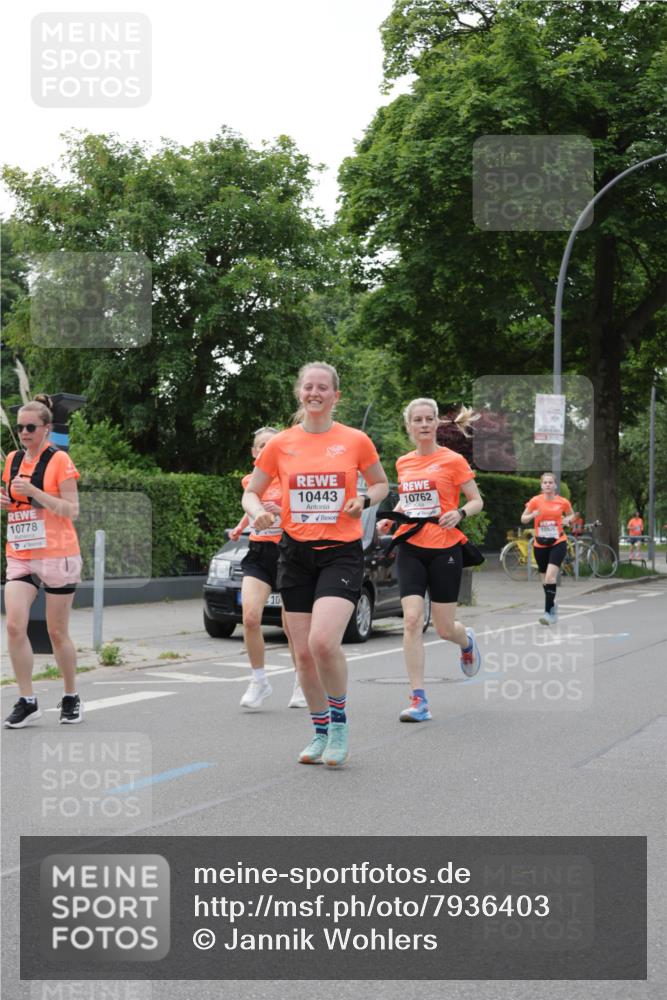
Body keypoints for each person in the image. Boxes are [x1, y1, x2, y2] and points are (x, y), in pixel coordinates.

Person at [243, 362, 388, 767]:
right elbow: (251, 492)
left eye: (323, 387)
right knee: (303, 654)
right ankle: (320, 730)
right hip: (295, 554)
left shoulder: (355, 440)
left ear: (335, 396)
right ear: (299, 393)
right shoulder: (280, 443)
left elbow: (381, 483)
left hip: (340, 552)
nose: (315, 393)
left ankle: (339, 725)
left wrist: (365, 499)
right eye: (308, 387)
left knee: (323, 643)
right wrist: (257, 511)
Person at [377, 399, 484, 723]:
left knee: (444, 628)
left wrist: (460, 513)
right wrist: (393, 518)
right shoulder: (404, 463)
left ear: (437, 423)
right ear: (409, 426)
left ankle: (466, 641)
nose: (423, 424)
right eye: (417, 420)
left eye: (428, 419)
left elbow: (476, 500)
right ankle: (418, 699)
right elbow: (410, 502)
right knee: (412, 619)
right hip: (411, 546)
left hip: (444, 548)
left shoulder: (453, 460)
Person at [1, 395, 83, 727]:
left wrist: (34, 493)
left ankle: (70, 695)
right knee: (13, 626)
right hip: (21, 553)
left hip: (57, 553)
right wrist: (6, 501)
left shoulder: (59, 460)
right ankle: (27, 700)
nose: (24, 432)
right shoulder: (12, 460)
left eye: (31, 427)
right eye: (20, 427)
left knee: (56, 631)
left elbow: (72, 510)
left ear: (46, 428)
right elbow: (14, 501)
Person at [228, 427, 306, 711]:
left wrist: (280, 512)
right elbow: (250, 506)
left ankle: (301, 681)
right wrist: (241, 527)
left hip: (289, 553)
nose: (265, 449)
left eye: (271, 444)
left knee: (292, 627)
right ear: (254, 452)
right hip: (259, 553)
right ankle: (259, 680)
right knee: (250, 618)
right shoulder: (251, 480)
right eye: (261, 445)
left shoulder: (291, 479)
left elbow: (304, 514)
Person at [521, 472, 574, 626]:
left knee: (550, 577)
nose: (548, 485)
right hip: (540, 544)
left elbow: (571, 515)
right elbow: (523, 518)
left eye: (550, 482)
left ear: (555, 485)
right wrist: (532, 515)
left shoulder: (563, 502)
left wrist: (567, 519)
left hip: (558, 542)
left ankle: (548, 612)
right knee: (545, 579)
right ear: (541, 485)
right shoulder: (535, 501)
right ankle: (552, 606)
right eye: (545, 482)